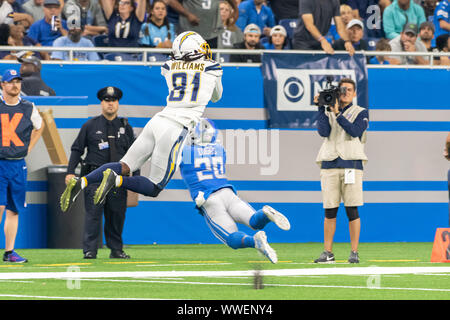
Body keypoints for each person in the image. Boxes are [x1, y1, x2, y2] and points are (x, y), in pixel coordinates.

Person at [60, 31, 223, 220]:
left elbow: (179, 64)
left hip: (158, 121)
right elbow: (217, 96)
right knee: (154, 187)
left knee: (124, 164)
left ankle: (81, 182)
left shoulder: (169, 66)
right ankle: (117, 181)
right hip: (177, 128)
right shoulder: (212, 67)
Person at [179, 118, 291, 264]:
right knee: (254, 221)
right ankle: (264, 213)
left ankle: (254, 241)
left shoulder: (186, 152)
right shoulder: (219, 150)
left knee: (231, 238)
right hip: (228, 193)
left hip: (208, 199)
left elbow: (178, 155)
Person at [64, 86, 138, 259]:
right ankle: (90, 250)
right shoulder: (90, 125)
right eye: (107, 101)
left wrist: (136, 180)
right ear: (101, 103)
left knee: (116, 216)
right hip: (94, 178)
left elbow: (135, 154)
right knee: (93, 216)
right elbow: (77, 150)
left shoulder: (125, 127)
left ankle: (116, 249)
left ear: (118, 103)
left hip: (118, 180)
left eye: (113, 101)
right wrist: (69, 172)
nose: (110, 104)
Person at [314, 78, 369, 264]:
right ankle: (327, 252)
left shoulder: (361, 112)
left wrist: (337, 113)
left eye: (349, 90)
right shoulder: (328, 109)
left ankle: (354, 251)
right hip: (329, 163)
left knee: (352, 209)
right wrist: (321, 108)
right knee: (330, 210)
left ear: (354, 94)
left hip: (351, 164)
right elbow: (323, 132)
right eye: (342, 89)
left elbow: (354, 131)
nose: (344, 92)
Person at [0, 69, 44, 263]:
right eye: (10, 82)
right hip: (0, 162)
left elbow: (40, 126)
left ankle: (9, 251)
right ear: (2, 84)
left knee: (14, 209)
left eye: (17, 81)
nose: (15, 85)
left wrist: (29, 147)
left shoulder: (28, 106)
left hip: (18, 164)